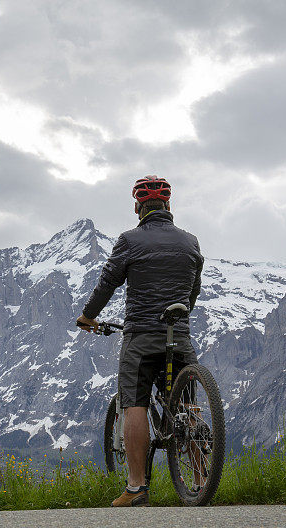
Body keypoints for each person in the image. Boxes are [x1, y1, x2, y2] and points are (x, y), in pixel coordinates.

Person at [77, 175, 204, 507]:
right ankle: (202, 479)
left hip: (142, 336)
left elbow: (108, 282)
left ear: (138, 207)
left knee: (135, 403)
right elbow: (193, 288)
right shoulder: (191, 242)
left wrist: (88, 316)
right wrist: (183, 313)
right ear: (168, 206)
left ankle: (136, 488)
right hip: (180, 336)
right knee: (186, 406)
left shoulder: (129, 240)